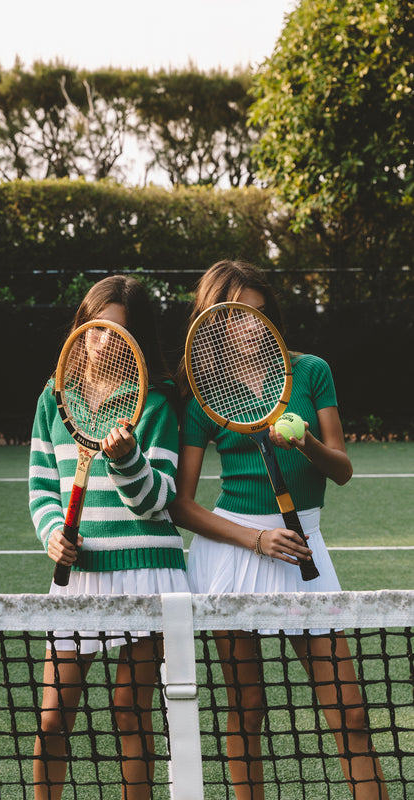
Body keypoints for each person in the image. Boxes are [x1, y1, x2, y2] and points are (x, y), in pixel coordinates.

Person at [169, 260, 388, 800]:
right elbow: (181, 505)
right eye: (237, 316)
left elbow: (342, 470)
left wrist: (307, 442)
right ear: (215, 322)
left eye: (258, 314)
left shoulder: (311, 371)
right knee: (247, 709)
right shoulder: (202, 395)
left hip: (305, 549)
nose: (250, 326)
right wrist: (256, 540)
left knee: (351, 711)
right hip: (233, 554)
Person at [29, 275, 188, 800]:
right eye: (96, 329)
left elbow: (154, 501)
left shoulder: (159, 401)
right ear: (82, 328)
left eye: (118, 333)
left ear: (136, 340)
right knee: (52, 719)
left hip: (147, 571)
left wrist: (126, 460)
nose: (104, 341)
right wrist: (54, 534)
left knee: (130, 712)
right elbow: (42, 488)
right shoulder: (54, 400)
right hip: (78, 580)